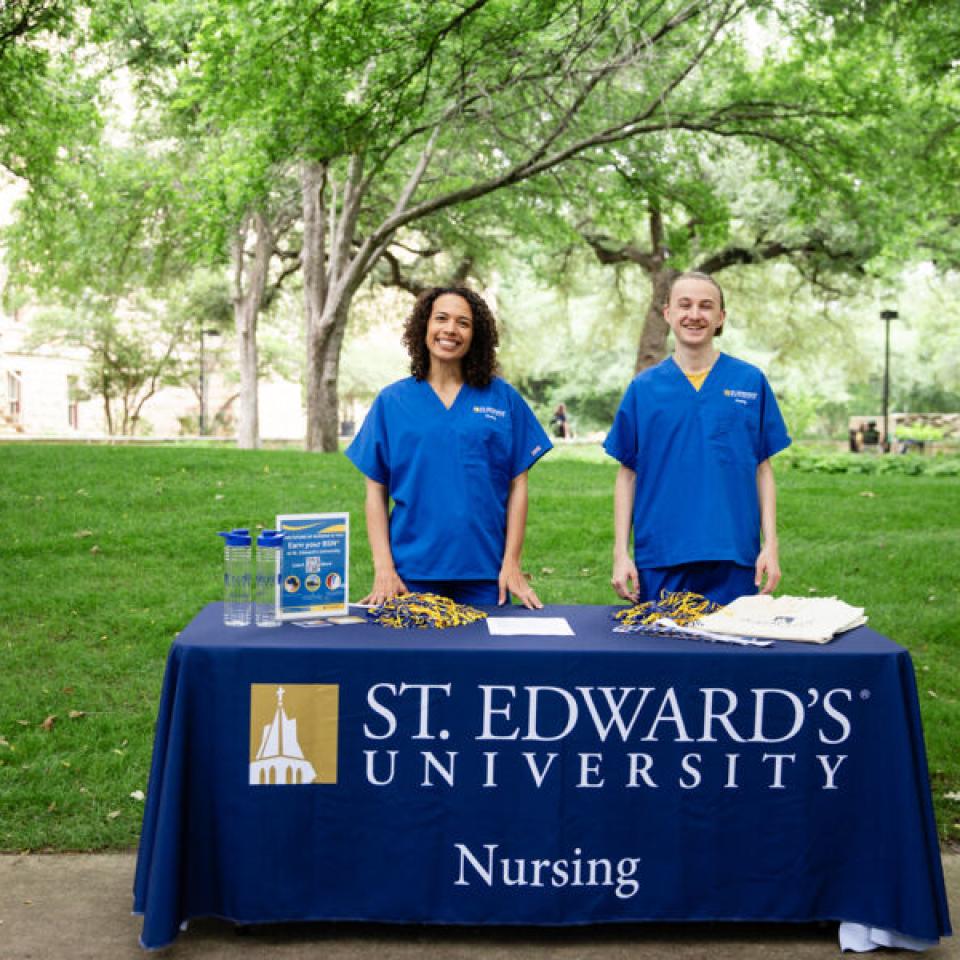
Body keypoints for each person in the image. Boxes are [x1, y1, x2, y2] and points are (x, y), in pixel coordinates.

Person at [346, 286, 552, 610]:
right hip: (410, 575)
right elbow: (375, 491)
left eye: (463, 323)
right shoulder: (391, 402)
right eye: (441, 318)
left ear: (476, 335)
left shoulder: (503, 399)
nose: (450, 330)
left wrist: (511, 562)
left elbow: (518, 486)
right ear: (424, 327)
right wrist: (383, 568)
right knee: (414, 661)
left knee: (484, 661)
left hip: (485, 575)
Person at [604, 271, 791, 607]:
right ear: (668, 314)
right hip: (661, 555)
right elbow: (627, 474)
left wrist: (771, 545)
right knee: (662, 654)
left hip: (733, 554)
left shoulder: (750, 381)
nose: (694, 314)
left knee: (731, 655)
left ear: (721, 317)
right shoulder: (644, 389)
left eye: (706, 306)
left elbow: (762, 469)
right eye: (684, 305)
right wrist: (621, 552)